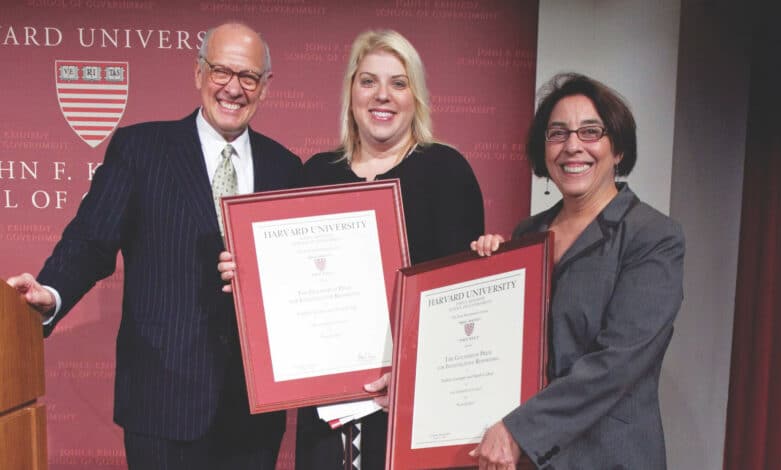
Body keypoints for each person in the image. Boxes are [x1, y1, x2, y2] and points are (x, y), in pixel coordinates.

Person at [6, 22, 302, 470]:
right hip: (161, 401)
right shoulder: (141, 148)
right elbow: (91, 239)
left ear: (265, 87)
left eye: (248, 77)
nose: (233, 88)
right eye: (222, 70)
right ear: (199, 72)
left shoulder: (285, 167)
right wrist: (51, 292)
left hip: (253, 410)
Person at [219, 29, 485, 469]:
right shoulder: (316, 174)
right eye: (368, 81)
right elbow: (290, 287)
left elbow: (459, 301)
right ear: (351, 92)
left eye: (398, 83)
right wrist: (247, 276)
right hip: (325, 410)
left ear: (415, 95)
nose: (382, 95)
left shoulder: (446, 171)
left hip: (413, 404)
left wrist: (407, 371)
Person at [469, 73, 685, 470]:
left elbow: (616, 364)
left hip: (608, 456)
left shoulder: (653, 236)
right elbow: (503, 350)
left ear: (617, 148)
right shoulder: (526, 234)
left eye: (590, 132)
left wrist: (519, 429)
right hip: (531, 460)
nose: (572, 146)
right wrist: (488, 276)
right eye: (557, 134)